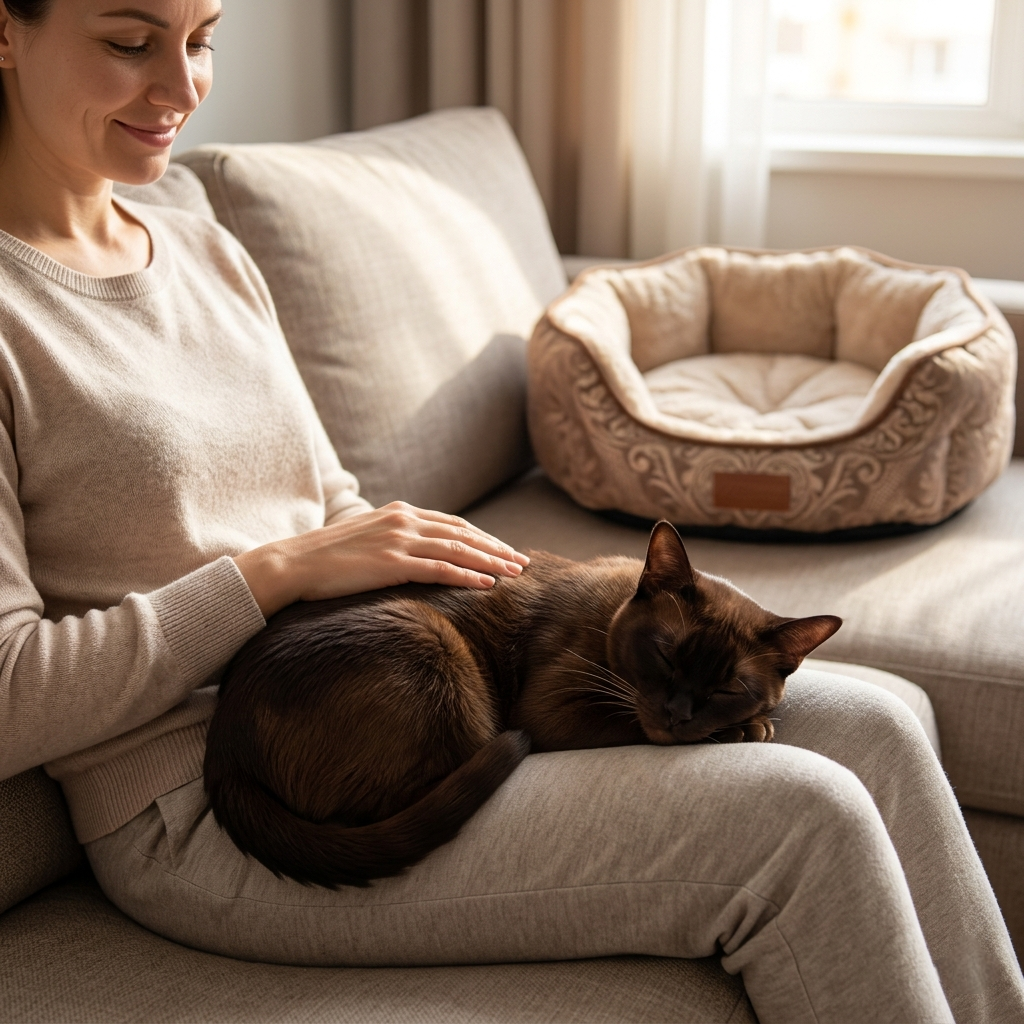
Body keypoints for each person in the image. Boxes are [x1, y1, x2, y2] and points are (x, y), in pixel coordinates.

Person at [0, 2, 1020, 1021]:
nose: (182, 89)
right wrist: (270, 576)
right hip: (212, 808)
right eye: (129, 43)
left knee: (879, 723)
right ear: (6, 29)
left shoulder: (205, 253)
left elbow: (336, 512)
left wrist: (494, 589)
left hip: (352, 680)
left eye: (202, 39)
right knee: (804, 819)